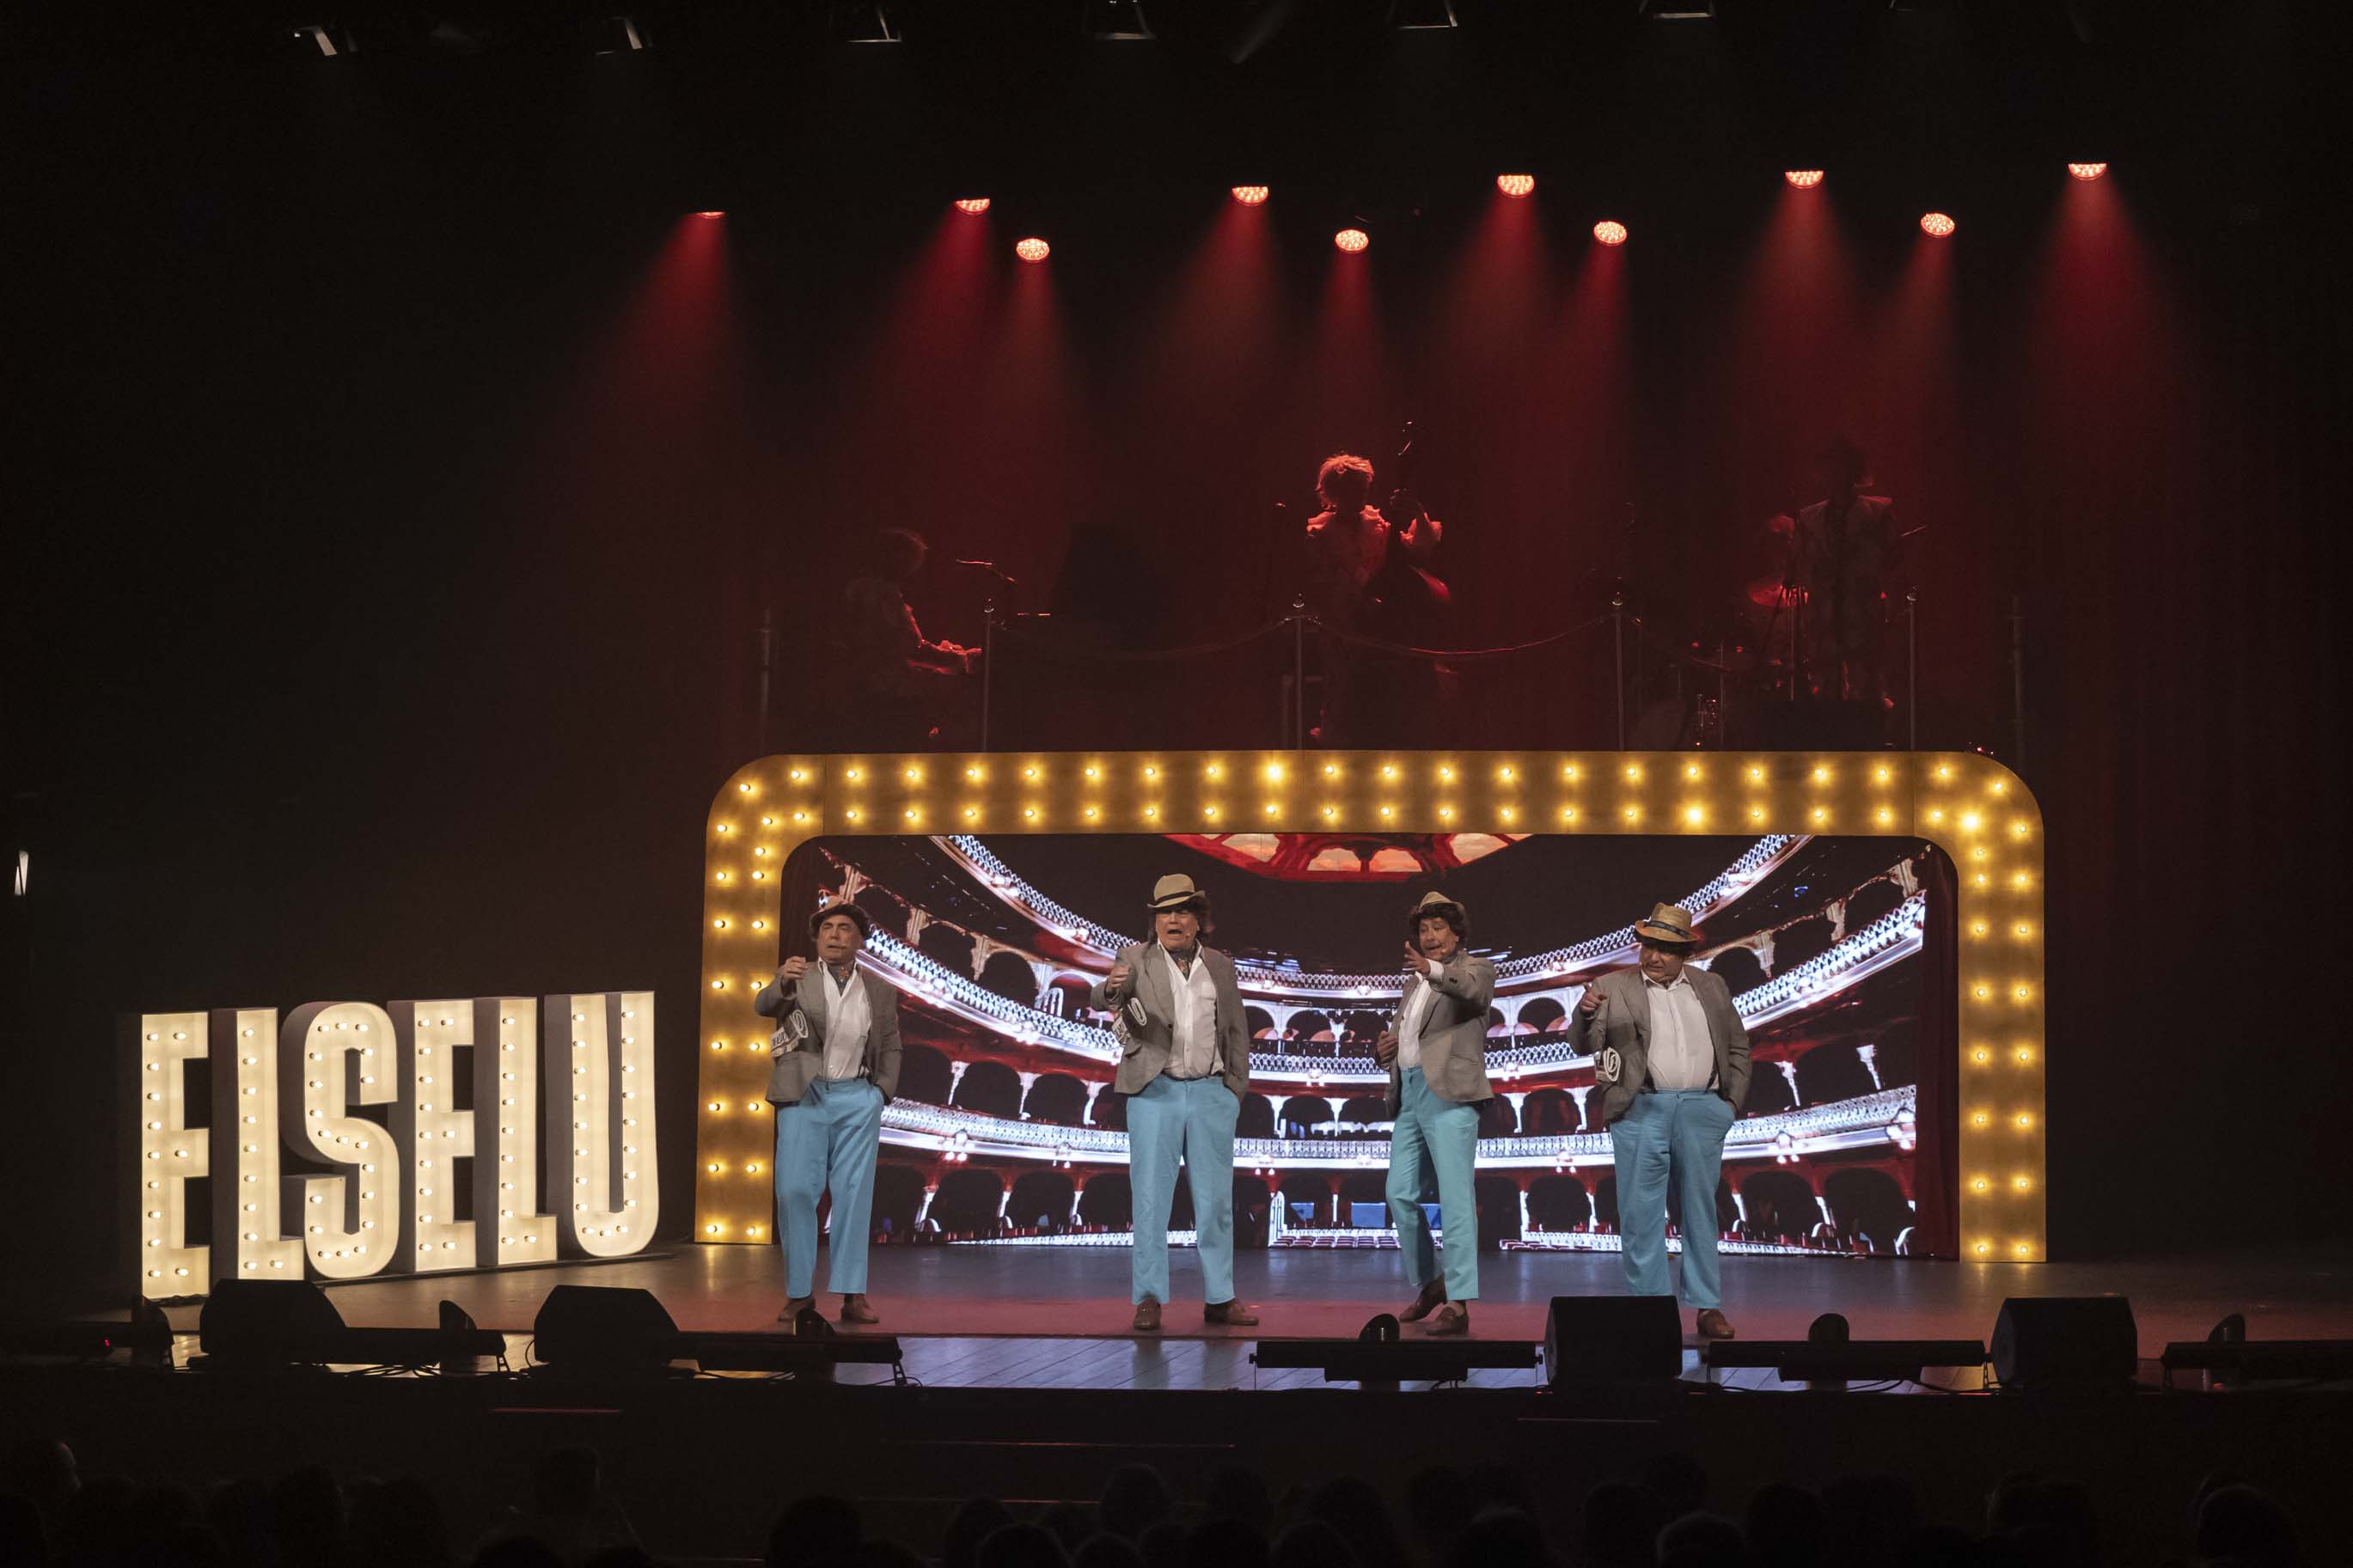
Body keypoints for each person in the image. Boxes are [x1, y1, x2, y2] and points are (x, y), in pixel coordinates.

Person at [1567, 903, 1751, 1340]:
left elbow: (1737, 1046)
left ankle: (1707, 1306)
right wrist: (1586, 1013)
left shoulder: (1712, 985)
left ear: (1684, 953)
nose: (1652, 956)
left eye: (1665, 949)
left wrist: (1729, 1105)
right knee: (1639, 1213)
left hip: (1703, 1109)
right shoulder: (1611, 986)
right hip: (1641, 1108)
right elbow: (1582, 1045)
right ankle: (1651, 1312)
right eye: (1648, 946)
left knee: (1700, 1210)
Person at [1091, 875, 1259, 1333]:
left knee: (1215, 1202)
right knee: (1150, 1199)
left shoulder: (1221, 965)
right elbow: (1102, 996)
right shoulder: (1134, 958)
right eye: (1164, 912)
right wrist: (1110, 988)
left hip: (1210, 1093)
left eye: (1182, 911)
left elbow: (1236, 1030)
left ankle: (1220, 1298)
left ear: (1199, 920)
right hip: (1154, 1092)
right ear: (1155, 921)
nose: (1173, 920)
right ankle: (1148, 1299)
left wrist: (1233, 1089)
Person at [756, 900, 903, 1327]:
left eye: (844, 928)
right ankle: (799, 1294)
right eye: (827, 928)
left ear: (860, 940)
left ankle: (853, 1294)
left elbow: (891, 1043)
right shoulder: (798, 977)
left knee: (854, 1195)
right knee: (794, 1190)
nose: (834, 934)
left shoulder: (879, 989)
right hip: (805, 1093)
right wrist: (781, 981)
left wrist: (880, 1092)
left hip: (857, 1096)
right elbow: (764, 1005)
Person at [1371, 892, 1495, 1337]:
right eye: (1424, 930)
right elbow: (1406, 1036)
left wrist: (1432, 970)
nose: (1430, 936)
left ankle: (1459, 1304)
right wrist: (1386, 1050)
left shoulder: (1475, 969)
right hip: (1409, 1094)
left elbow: (1472, 992)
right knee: (1399, 1194)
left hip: (1450, 1094)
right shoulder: (1413, 983)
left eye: (1438, 928)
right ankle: (1431, 1282)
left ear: (1456, 934)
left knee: (1456, 1199)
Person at [1301, 453, 1449, 745]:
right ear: (1334, 493)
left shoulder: (1376, 524)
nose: (1360, 495)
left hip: (1384, 630)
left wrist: (1417, 512)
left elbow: (1416, 549)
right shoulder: (1320, 534)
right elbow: (1325, 583)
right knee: (1344, 694)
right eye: (1352, 489)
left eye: (1363, 489)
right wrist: (1360, 601)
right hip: (1345, 628)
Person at [1788, 438, 1902, 715]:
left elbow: (1893, 559)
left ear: (1853, 473)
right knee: (1826, 683)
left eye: (1840, 468)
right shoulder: (1811, 518)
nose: (1834, 476)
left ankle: (1866, 730)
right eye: (1830, 469)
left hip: (1861, 610)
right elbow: (1800, 563)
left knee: (1865, 683)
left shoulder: (1876, 513)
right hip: (1823, 614)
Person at [841, 528, 980, 744]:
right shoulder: (879, 594)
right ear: (892, 558)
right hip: (886, 696)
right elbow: (906, 648)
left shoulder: (865, 589)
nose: (912, 569)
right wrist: (959, 658)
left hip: (871, 690)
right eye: (909, 561)